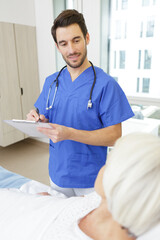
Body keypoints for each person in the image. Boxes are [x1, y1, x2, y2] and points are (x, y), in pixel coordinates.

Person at [27, 9, 134, 197]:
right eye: (64, 43)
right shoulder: (51, 82)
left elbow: (115, 136)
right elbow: (44, 117)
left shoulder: (106, 85)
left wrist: (69, 133)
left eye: (76, 40)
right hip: (58, 173)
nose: (71, 50)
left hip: (91, 178)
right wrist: (35, 119)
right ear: (57, 46)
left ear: (87, 38)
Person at [0, 132, 160, 240]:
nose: (103, 168)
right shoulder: (102, 199)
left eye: (109, 163)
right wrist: (54, 201)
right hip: (30, 201)